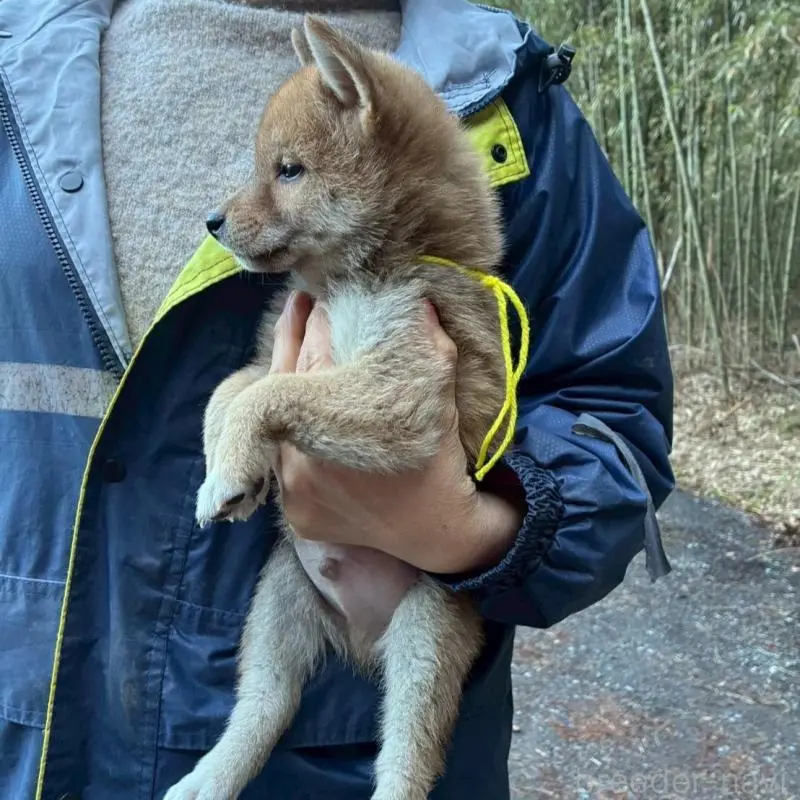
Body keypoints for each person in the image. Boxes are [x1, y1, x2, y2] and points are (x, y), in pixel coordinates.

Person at [0, 0, 675, 797]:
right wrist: (244, 420)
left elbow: (610, 412)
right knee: (274, 647)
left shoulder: (509, 100)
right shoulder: (25, 57)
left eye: (285, 175)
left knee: (420, 676)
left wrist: (470, 533)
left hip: (352, 731)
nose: (236, 210)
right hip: (33, 721)